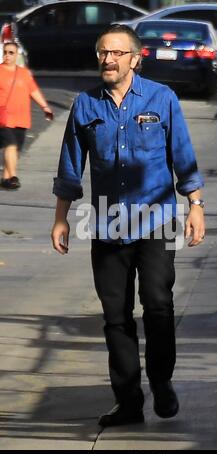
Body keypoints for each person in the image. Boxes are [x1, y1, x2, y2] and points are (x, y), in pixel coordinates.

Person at [51, 24, 205, 427]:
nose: (108, 59)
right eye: (103, 52)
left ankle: (162, 380)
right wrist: (61, 218)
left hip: (157, 220)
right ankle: (129, 402)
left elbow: (182, 155)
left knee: (157, 304)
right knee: (115, 316)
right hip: (106, 224)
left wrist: (196, 205)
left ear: (136, 58)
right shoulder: (86, 105)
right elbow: (70, 165)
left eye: (117, 53)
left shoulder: (162, 98)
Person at [0, 41, 53, 190]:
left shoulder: (23, 73)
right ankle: (13, 176)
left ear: (17, 55)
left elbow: (33, 91)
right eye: (5, 52)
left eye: (11, 52)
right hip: (4, 119)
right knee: (10, 145)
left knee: (15, 150)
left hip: (22, 119)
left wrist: (45, 107)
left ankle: (5, 179)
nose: (7, 55)